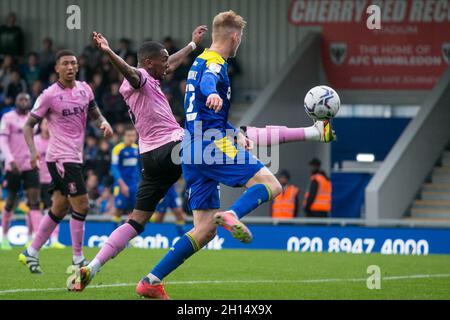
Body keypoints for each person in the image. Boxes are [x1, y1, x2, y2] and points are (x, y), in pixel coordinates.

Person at [141, 10, 336, 300]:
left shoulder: (198, 61)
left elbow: (208, 110)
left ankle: (151, 281)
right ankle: (232, 213)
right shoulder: (214, 64)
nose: (240, 42)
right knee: (272, 185)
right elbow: (209, 83)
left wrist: (235, 131)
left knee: (204, 230)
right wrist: (213, 94)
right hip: (210, 144)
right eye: (240, 37)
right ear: (235, 36)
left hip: (191, 149)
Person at [66, 25, 207, 293]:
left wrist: (191, 45)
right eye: (162, 59)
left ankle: (91, 267)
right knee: (210, 140)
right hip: (170, 145)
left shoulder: (151, 78)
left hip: (150, 158)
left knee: (136, 220)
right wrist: (108, 51)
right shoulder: (140, 76)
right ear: (148, 62)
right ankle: (232, 204)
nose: (167, 63)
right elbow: (130, 72)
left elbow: (173, 64)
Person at [19, 49, 113, 274]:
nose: (70, 67)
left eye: (73, 63)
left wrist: (103, 123)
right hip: (61, 158)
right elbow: (28, 125)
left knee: (60, 207)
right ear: (57, 68)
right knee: (82, 205)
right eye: (65, 64)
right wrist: (32, 152)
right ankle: (78, 259)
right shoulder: (49, 95)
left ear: (77, 67)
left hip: (75, 156)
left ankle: (31, 252)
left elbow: (94, 112)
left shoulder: (85, 89)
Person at [0, 93, 42, 250]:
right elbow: (2, 141)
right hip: (13, 166)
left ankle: (33, 238)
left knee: (34, 202)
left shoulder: (33, 118)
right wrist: (10, 160)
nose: (24, 102)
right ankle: (4, 237)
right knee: (10, 201)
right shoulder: (7, 118)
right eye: (20, 99)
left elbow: (35, 141)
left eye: (26, 99)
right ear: (15, 102)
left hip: (30, 165)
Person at [34, 118, 65, 248]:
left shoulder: (56, 141)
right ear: (40, 126)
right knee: (34, 208)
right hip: (36, 179)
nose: (47, 126)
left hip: (51, 179)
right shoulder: (35, 140)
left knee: (53, 208)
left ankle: (54, 239)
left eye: (49, 123)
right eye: (45, 123)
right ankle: (34, 237)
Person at [110, 126, 140, 227]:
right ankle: (114, 237)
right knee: (119, 209)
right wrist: (122, 185)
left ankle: (129, 238)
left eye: (133, 135)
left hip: (134, 185)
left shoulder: (137, 149)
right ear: (124, 136)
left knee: (134, 211)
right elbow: (114, 169)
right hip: (121, 184)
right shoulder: (117, 149)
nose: (131, 138)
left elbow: (140, 167)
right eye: (128, 135)